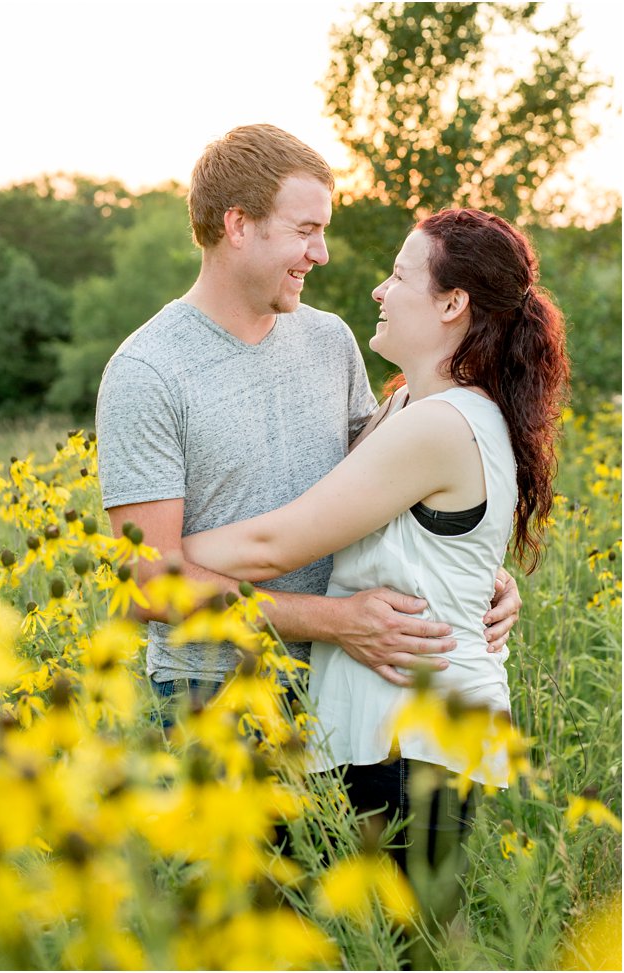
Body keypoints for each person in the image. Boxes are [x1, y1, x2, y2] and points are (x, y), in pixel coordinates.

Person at [182, 207, 568, 910]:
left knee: (402, 951)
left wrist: (158, 558)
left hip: (415, 738)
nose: (378, 291)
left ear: (453, 303)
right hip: (379, 730)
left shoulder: (443, 424)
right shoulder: (404, 409)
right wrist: (486, 575)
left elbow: (279, 542)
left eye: (398, 275)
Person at [94, 124, 521, 714]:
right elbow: (146, 584)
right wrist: (333, 621)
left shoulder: (330, 339)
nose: (320, 253)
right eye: (306, 231)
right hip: (215, 690)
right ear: (238, 226)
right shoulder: (147, 370)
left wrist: (475, 570)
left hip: (346, 678)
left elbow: (386, 489)